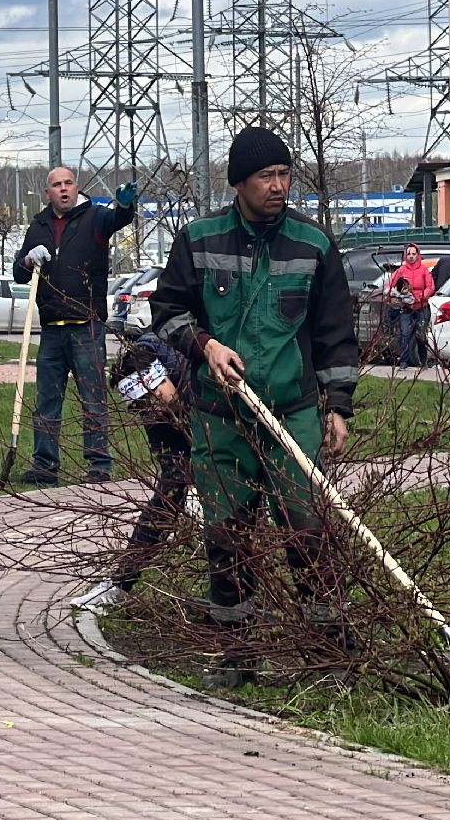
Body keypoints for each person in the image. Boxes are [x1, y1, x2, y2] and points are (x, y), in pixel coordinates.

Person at [149, 126, 359, 690]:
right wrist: (205, 345)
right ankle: (236, 656)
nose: (278, 185)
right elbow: (166, 312)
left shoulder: (312, 244)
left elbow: (336, 332)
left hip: (293, 412)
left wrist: (338, 405)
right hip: (222, 417)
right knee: (226, 535)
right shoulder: (199, 239)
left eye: (284, 174)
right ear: (239, 182)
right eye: (266, 176)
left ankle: (329, 652)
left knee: (306, 531)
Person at [10, 167, 136, 484]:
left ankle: (98, 466)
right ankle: (44, 465)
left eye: (68, 183)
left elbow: (118, 220)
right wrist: (27, 260)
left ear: (76, 187)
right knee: (47, 402)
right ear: (47, 192)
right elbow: (19, 273)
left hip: (87, 327)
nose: (63, 189)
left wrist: (124, 207)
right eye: (57, 185)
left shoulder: (94, 217)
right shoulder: (38, 225)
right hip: (52, 328)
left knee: (93, 399)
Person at [75, 326, 195, 610]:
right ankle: (119, 583)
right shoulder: (158, 414)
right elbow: (170, 491)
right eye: (141, 407)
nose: (153, 410)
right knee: (167, 497)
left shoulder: (197, 373)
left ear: (161, 376)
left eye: (153, 398)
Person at [384, 243, 436, 368]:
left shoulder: (424, 270)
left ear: (418, 255)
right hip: (406, 307)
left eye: (414, 254)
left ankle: (423, 360)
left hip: (421, 307)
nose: (411, 256)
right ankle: (403, 361)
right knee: (404, 333)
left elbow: (430, 287)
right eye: (409, 254)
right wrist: (392, 297)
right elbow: (389, 286)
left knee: (420, 335)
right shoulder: (401, 270)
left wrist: (421, 297)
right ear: (405, 255)